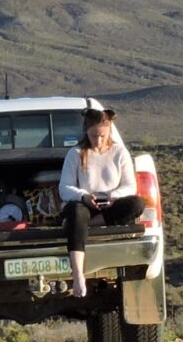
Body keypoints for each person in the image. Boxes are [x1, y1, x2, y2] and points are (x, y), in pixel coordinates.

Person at [57, 106, 141, 298]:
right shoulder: (76, 154)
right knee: (76, 211)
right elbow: (65, 188)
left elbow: (130, 185)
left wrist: (116, 195)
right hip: (85, 204)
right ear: (86, 132)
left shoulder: (120, 152)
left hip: (109, 205)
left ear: (109, 131)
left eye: (103, 135)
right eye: (94, 135)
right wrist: (84, 196)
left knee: (137, 204)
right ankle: (78, 273)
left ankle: (83, 227)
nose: (99, 140)